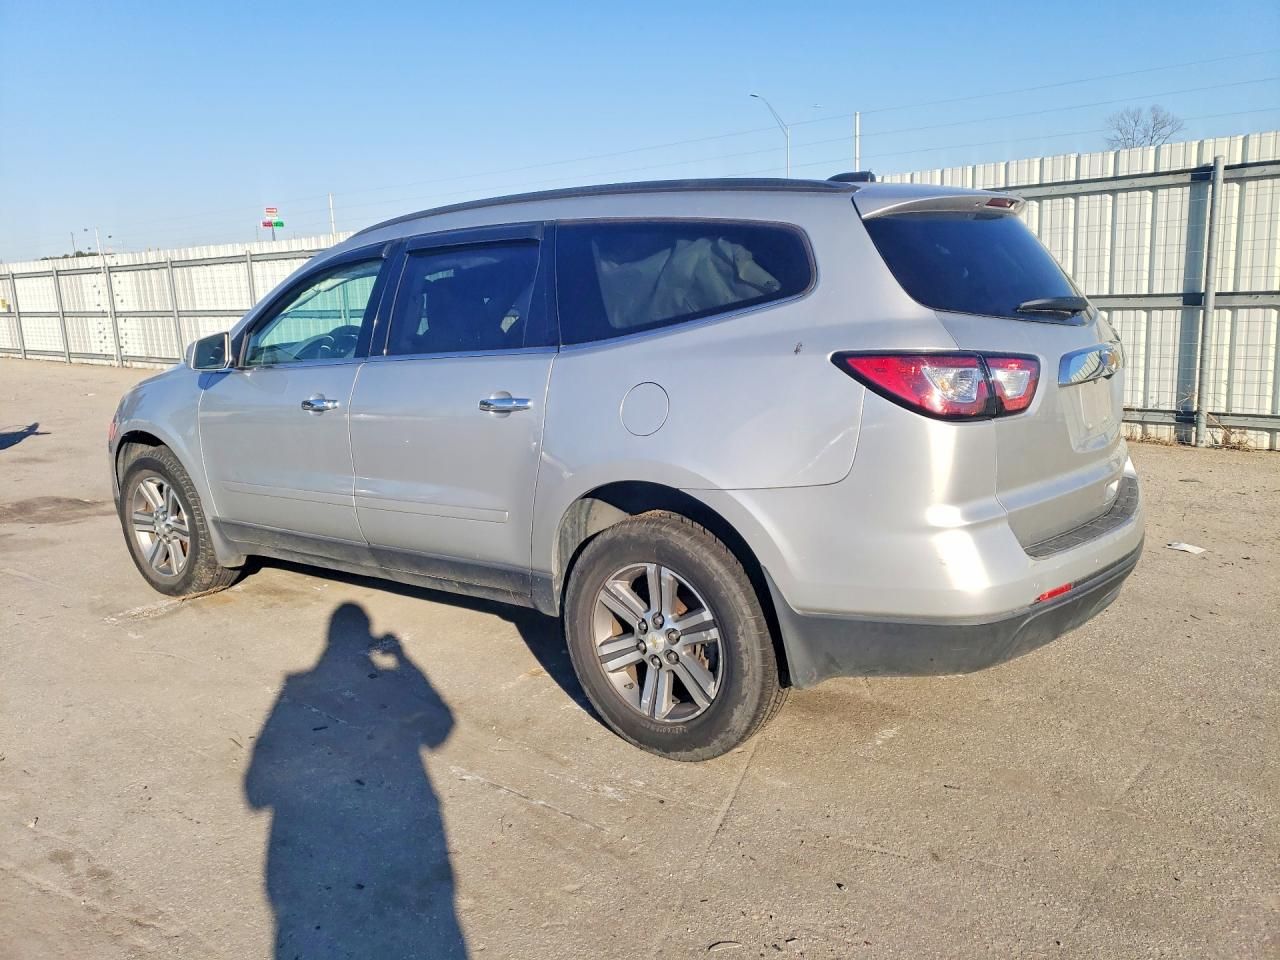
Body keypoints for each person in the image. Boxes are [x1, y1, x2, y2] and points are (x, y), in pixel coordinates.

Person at [245, 602, 466, 958]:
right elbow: (440, 730)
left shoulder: (294, 689)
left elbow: (255, 794)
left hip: (305, 876)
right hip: (402, 841)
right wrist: (404, 660)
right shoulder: (388, 683)